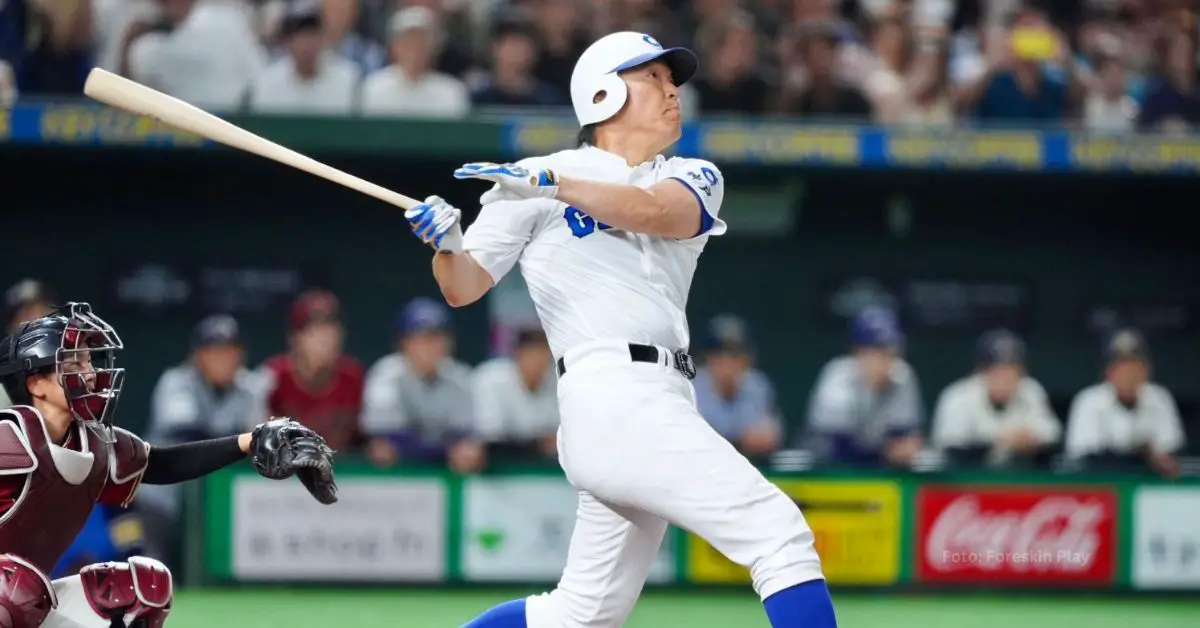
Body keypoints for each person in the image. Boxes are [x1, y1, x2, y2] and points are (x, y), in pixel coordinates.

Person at [402, 30, 835, 628]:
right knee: (778, 536)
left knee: (580, 614)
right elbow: (462, 285)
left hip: (663, 395)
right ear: (603, 93)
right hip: (608, 393)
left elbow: (659, 212)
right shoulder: (533, 175)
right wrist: (446, 242)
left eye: (672, 79)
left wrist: (552, 186)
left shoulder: (691, 173)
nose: (672, 91)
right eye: (652, 77)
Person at [0, 302, 336, 628]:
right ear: (35, 383)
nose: (88, 374)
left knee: (141, 590)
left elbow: (161, 464)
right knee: (14, 589)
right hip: (11, 593)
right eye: (72, 365)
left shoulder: (92, 442)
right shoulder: (9, 437)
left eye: (88, 362)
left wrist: (249, 441)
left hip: (25, 596)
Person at [930, 329, 1061, 468]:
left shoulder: (1031, 390)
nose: (1006, 378)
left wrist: (1027, 438)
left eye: (1013, 371)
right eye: (998, 371)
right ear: (982, 371)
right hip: (963, 481)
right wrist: (998, 440)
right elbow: (952, 447)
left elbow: (1052, 434)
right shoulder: (958, 396)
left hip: (1016, 480)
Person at [1065, 328, 1186, 477]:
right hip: (1099, 481)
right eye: (1121, 367)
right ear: (1108, 372)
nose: (1128, 374)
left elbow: (1169, 447)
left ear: (1146, 371)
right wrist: (1136, 450)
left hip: (1147, 480)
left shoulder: (1160, 398)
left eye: (1135, 367)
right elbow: (1082, 452)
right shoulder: (1088, 400)